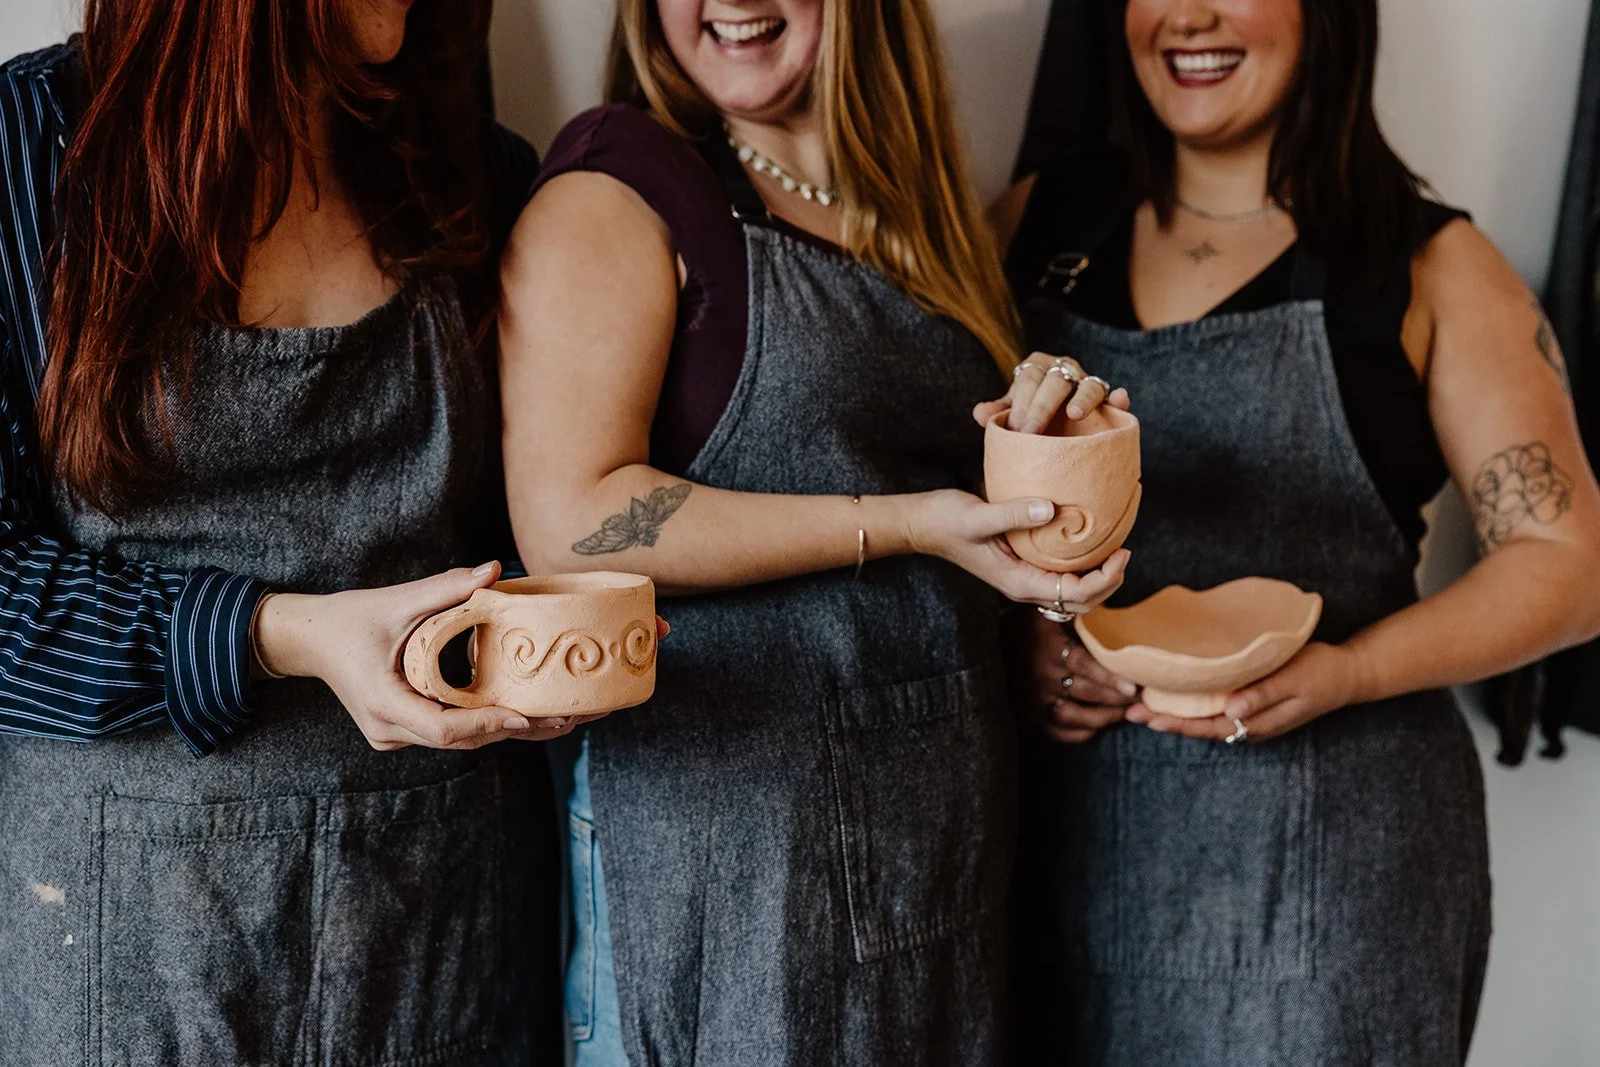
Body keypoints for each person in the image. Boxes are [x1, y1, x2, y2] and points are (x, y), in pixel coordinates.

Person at [496, 1, 1131, 1062]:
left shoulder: (917, 216)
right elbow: (578, 527)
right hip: (731, 858)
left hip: (936, 853)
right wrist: (908, 526)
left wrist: (1045, 523)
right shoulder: (619, 186)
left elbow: (948, 512)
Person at [995, 0, 1600, 1063]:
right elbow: (943, 499)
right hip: (1070, 852)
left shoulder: (1427, 262)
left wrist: (1347, 672)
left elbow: (1569, 565)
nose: (1188, 16)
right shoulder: (1033, 225)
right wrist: (1023, 644)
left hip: (1343, 878)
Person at [0, 1, 575, 1061]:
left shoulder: (467, 162)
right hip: (132, 936)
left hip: (442, 904)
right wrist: (277, 631)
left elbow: (538, 513)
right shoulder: (27, 147)